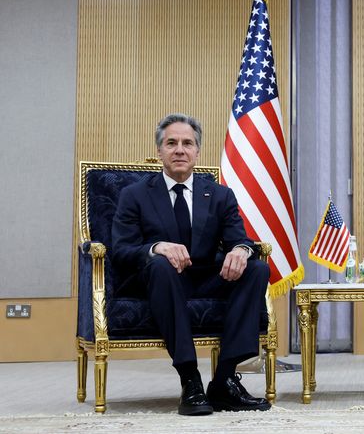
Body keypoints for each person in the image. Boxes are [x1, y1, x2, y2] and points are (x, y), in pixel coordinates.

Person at [112, 113, 271, 415]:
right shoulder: (134, 195)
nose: (180, 150)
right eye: (171, 143)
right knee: (161, 266)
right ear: (160, 150)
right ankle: (191, 380)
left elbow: (240, 238)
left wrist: (240, 251)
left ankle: (224, 381)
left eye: (188, 143)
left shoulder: (220, 195)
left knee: (257, 268)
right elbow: (121, 250)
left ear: (198, 151)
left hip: (205, 276)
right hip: (160, 281)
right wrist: (158, 247)